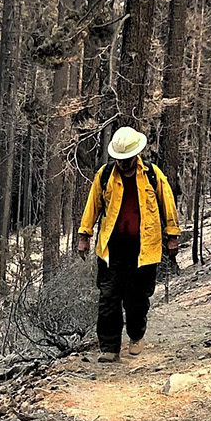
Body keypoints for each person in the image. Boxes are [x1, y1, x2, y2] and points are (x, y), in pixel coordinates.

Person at [77, 126, 180, 362]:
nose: (122, 163)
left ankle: (136, 335)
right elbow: (92, 206)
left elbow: (168, 205)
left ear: (136, 155)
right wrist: (84, 235)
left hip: (144, 249)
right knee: (108, 299)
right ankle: (110, 348)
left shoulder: (153, 175)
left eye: (126, 159)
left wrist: (172, 235)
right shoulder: (105, 176)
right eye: (118, 159)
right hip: (111, 250)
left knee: (137, 300)